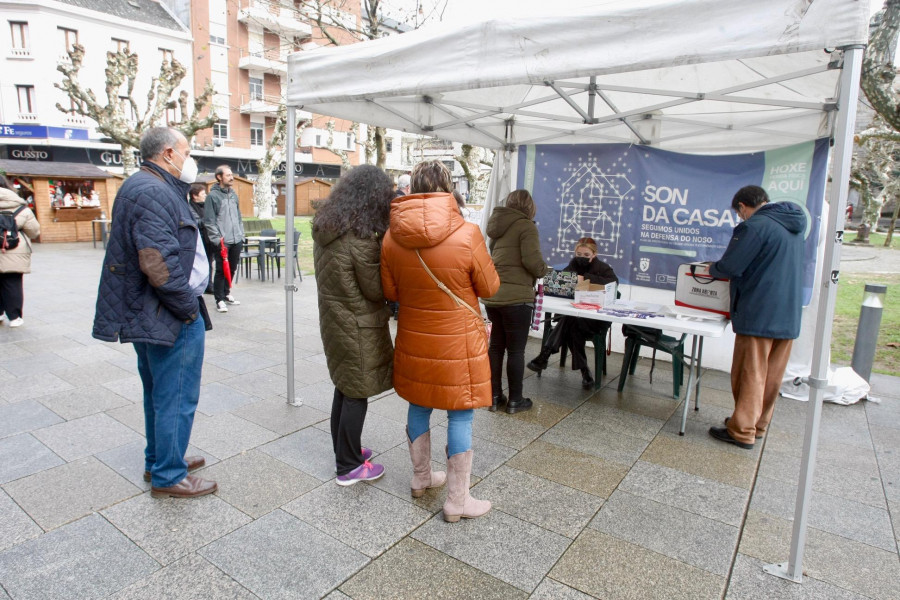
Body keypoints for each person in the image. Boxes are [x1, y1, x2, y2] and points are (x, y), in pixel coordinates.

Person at [92, 127, 216, 499]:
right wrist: (186, 309)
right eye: (186, 151)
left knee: (159, 392)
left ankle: (160, 458)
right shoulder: (153, 191)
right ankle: (168, 474)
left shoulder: (146, 186)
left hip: (150, 310)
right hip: (166, 312)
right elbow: (157, 261)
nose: (189, 159)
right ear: (167, 153)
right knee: (176, 395)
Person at [381, 160, 500, 521]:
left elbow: (390, 291)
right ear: (449, 188)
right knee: (459, 413)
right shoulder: (468, 234)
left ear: (413, 187)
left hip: (414, 336)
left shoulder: (391, 236)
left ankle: (420, 478)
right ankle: (457, 501)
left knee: (419, 404)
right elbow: (490, 287)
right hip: (458, 341)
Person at [312, 165, 395, 486]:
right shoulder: (359, 238)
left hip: (336, 321)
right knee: (356, 393)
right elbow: (376, 289)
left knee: (344, 387)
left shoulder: (329, 227)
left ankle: (345, 449)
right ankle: (347, 466)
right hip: (357, 325)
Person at [707, 185, 806, 449]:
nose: (741, 218)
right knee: (772, 374)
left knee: (751, 372)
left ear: (742, 206)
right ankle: (758, 425)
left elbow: (730, 266)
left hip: (759, 311)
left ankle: (741, 430)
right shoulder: (793, 226)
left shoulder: (754, 227)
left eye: (739, 213)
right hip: (788, 313)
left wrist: (712, 268)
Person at [483, 189, 548, 413]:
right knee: (516, 351)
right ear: (529, 207)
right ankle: (515, 400)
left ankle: (493, 396)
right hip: (517, 298)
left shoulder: (497, 227)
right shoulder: (526, 226)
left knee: (496, 348)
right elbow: (532, 261)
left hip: (494, 295)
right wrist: (544, 270)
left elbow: (494, 256)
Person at [527, 237, 617, 389]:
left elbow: (613, 284)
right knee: (572, 323)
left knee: (569, 321)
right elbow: (562, 283)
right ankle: (585, 372)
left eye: (586, 255)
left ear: (594, 254)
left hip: (593, 320)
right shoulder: (572, 265)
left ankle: (546, 354)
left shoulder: (603, 268)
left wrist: (585, 278)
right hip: (575, 317)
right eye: (579, 254)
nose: (581, 258)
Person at [0, 175, 40, 328]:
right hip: (15, 250)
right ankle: (15, 317)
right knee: (13, 283)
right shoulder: (21, 207)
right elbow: (34, 231)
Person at [204, 165, 243, 313]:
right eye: (228, 175)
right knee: (221, 270)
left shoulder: (233, 195)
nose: (231, 177)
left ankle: (226, 293)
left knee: (232, 268)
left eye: (231, 174)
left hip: (236, 239)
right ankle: (219, 298)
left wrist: (241, 235)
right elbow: (209, 221)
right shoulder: (212, 197)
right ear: (219, 177)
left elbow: (238, 217)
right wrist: (217, 239)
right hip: (222, 241)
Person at [188, 183, 215, 295]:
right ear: (195, 196)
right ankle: (202, 284)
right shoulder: (189, 207)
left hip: (208, 239)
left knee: (209, 262)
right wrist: (208, 219)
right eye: (203, 194)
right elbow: (197, 222)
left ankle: (209, 283)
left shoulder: (205, 206)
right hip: (199, 239)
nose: (205, 195)